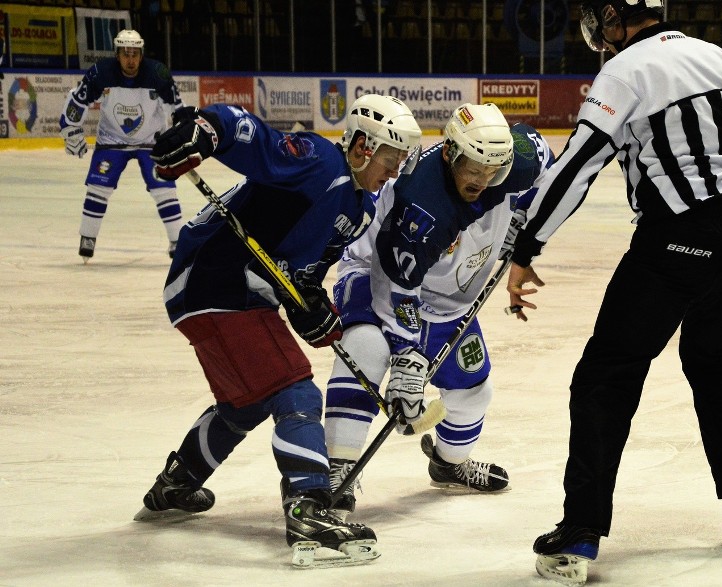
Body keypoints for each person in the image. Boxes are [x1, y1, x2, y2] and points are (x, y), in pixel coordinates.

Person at [504, 1, 722, 584]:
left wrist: (526, 245)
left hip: (680, 234)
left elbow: (578, 165)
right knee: (715, 356)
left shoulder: (625, 71)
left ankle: (580, 531)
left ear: (615, 19)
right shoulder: (719, 57)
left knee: (605, 375)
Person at [134, 94, 422, 568]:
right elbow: (253, 136)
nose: (393, 172)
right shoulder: (319, 160)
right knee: (296, 392)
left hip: (224, 290)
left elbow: (303, 276)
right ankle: (309, 506)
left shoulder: (358, 210)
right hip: (217, 278)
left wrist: (313, 307)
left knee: (246, 403)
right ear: (364, 147)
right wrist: (206, 129)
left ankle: (177, 481)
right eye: (391, 159)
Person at [322, 103, 554, 518]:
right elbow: (396, 287)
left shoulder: (516, 158)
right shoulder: (420, 206)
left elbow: (549, 170)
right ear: (450, 153)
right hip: (377, 272)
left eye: (492, 171)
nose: (483, 181)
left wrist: (525, 219)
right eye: (473, 169)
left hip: (448, 297)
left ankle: (447, 465)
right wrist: (408, 355)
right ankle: (339, 467)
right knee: (367, 349)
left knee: (474, 393)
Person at [59, 29, 184, 262]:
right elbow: (77, 100)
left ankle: (177, 240)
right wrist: (70, 129)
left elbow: (177, 107)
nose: (131, 59)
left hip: (151, 141)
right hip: (112, 140)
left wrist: (181, 134)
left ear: (141, 54)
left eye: (135, 54)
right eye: (126, 54)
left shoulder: (158, 73)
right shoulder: (100, 73)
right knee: (99, 188)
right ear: (117, 54)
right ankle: (88, 238)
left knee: (164, 189)